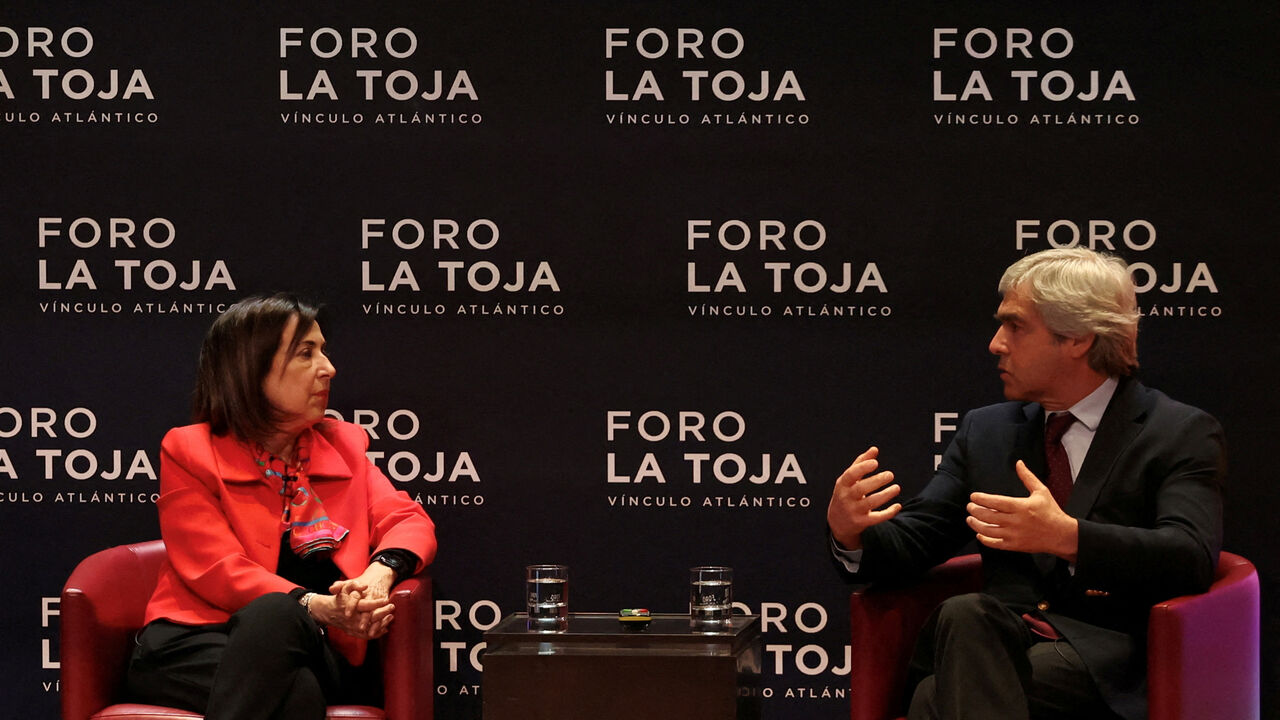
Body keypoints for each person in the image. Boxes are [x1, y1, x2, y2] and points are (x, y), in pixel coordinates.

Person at [826, 248, 1224, 720]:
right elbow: (917, 539)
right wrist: (851, 533)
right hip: (996, 642)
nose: (996, 343)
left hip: (1103, 663)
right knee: (964, 614)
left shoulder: (1178, 432)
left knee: (935, 699)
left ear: (1076, 338)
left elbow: (1189, 556)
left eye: (1015, 326)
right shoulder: (988, 432)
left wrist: (1068, 538)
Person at [126, 294, 437, 719]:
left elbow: (407, 520)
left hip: (315, 646)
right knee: (295, 686)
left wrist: (378, 576)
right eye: (306, 353)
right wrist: (318, 606)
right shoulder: (189, 450)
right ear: (251, 368)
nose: (328, 368)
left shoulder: (343, 445)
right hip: (193, 645)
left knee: (282, 636)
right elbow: (217, 569)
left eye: (323, 351)